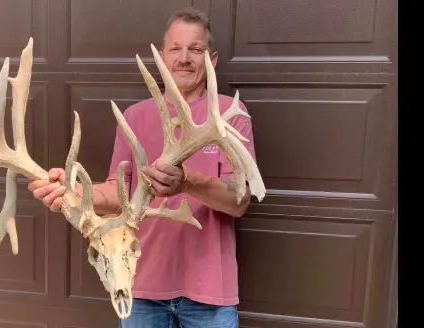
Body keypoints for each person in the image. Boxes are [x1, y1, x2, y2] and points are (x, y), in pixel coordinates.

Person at [28, 7, 256, 328]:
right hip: (140, 288)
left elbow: (240, 201)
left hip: (210, 295)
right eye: (175, 49)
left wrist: (187, 182)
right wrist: (76, 191)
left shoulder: (231, 115)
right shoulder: (134, 117)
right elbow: (118, 193)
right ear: (162, 57)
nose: (184, 58)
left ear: (212, 59)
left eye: (195, 49)